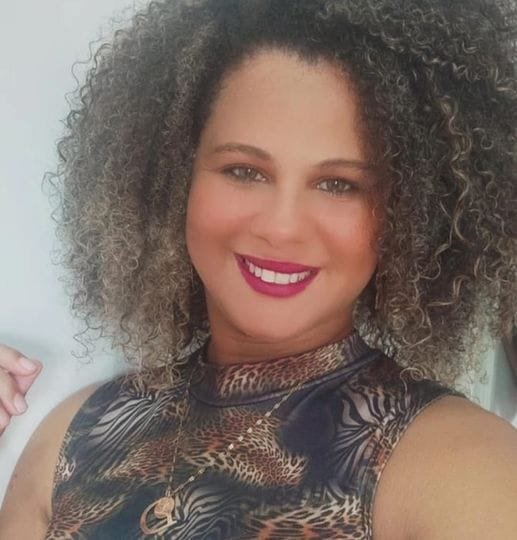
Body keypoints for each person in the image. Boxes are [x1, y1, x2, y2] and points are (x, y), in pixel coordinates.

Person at [1, 0, 517, 538]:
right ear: (173, 180)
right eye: (244, 171)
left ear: (411, 217)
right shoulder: (75, 435)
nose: (282, 227)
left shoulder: (465, 464)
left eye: (339, 184)